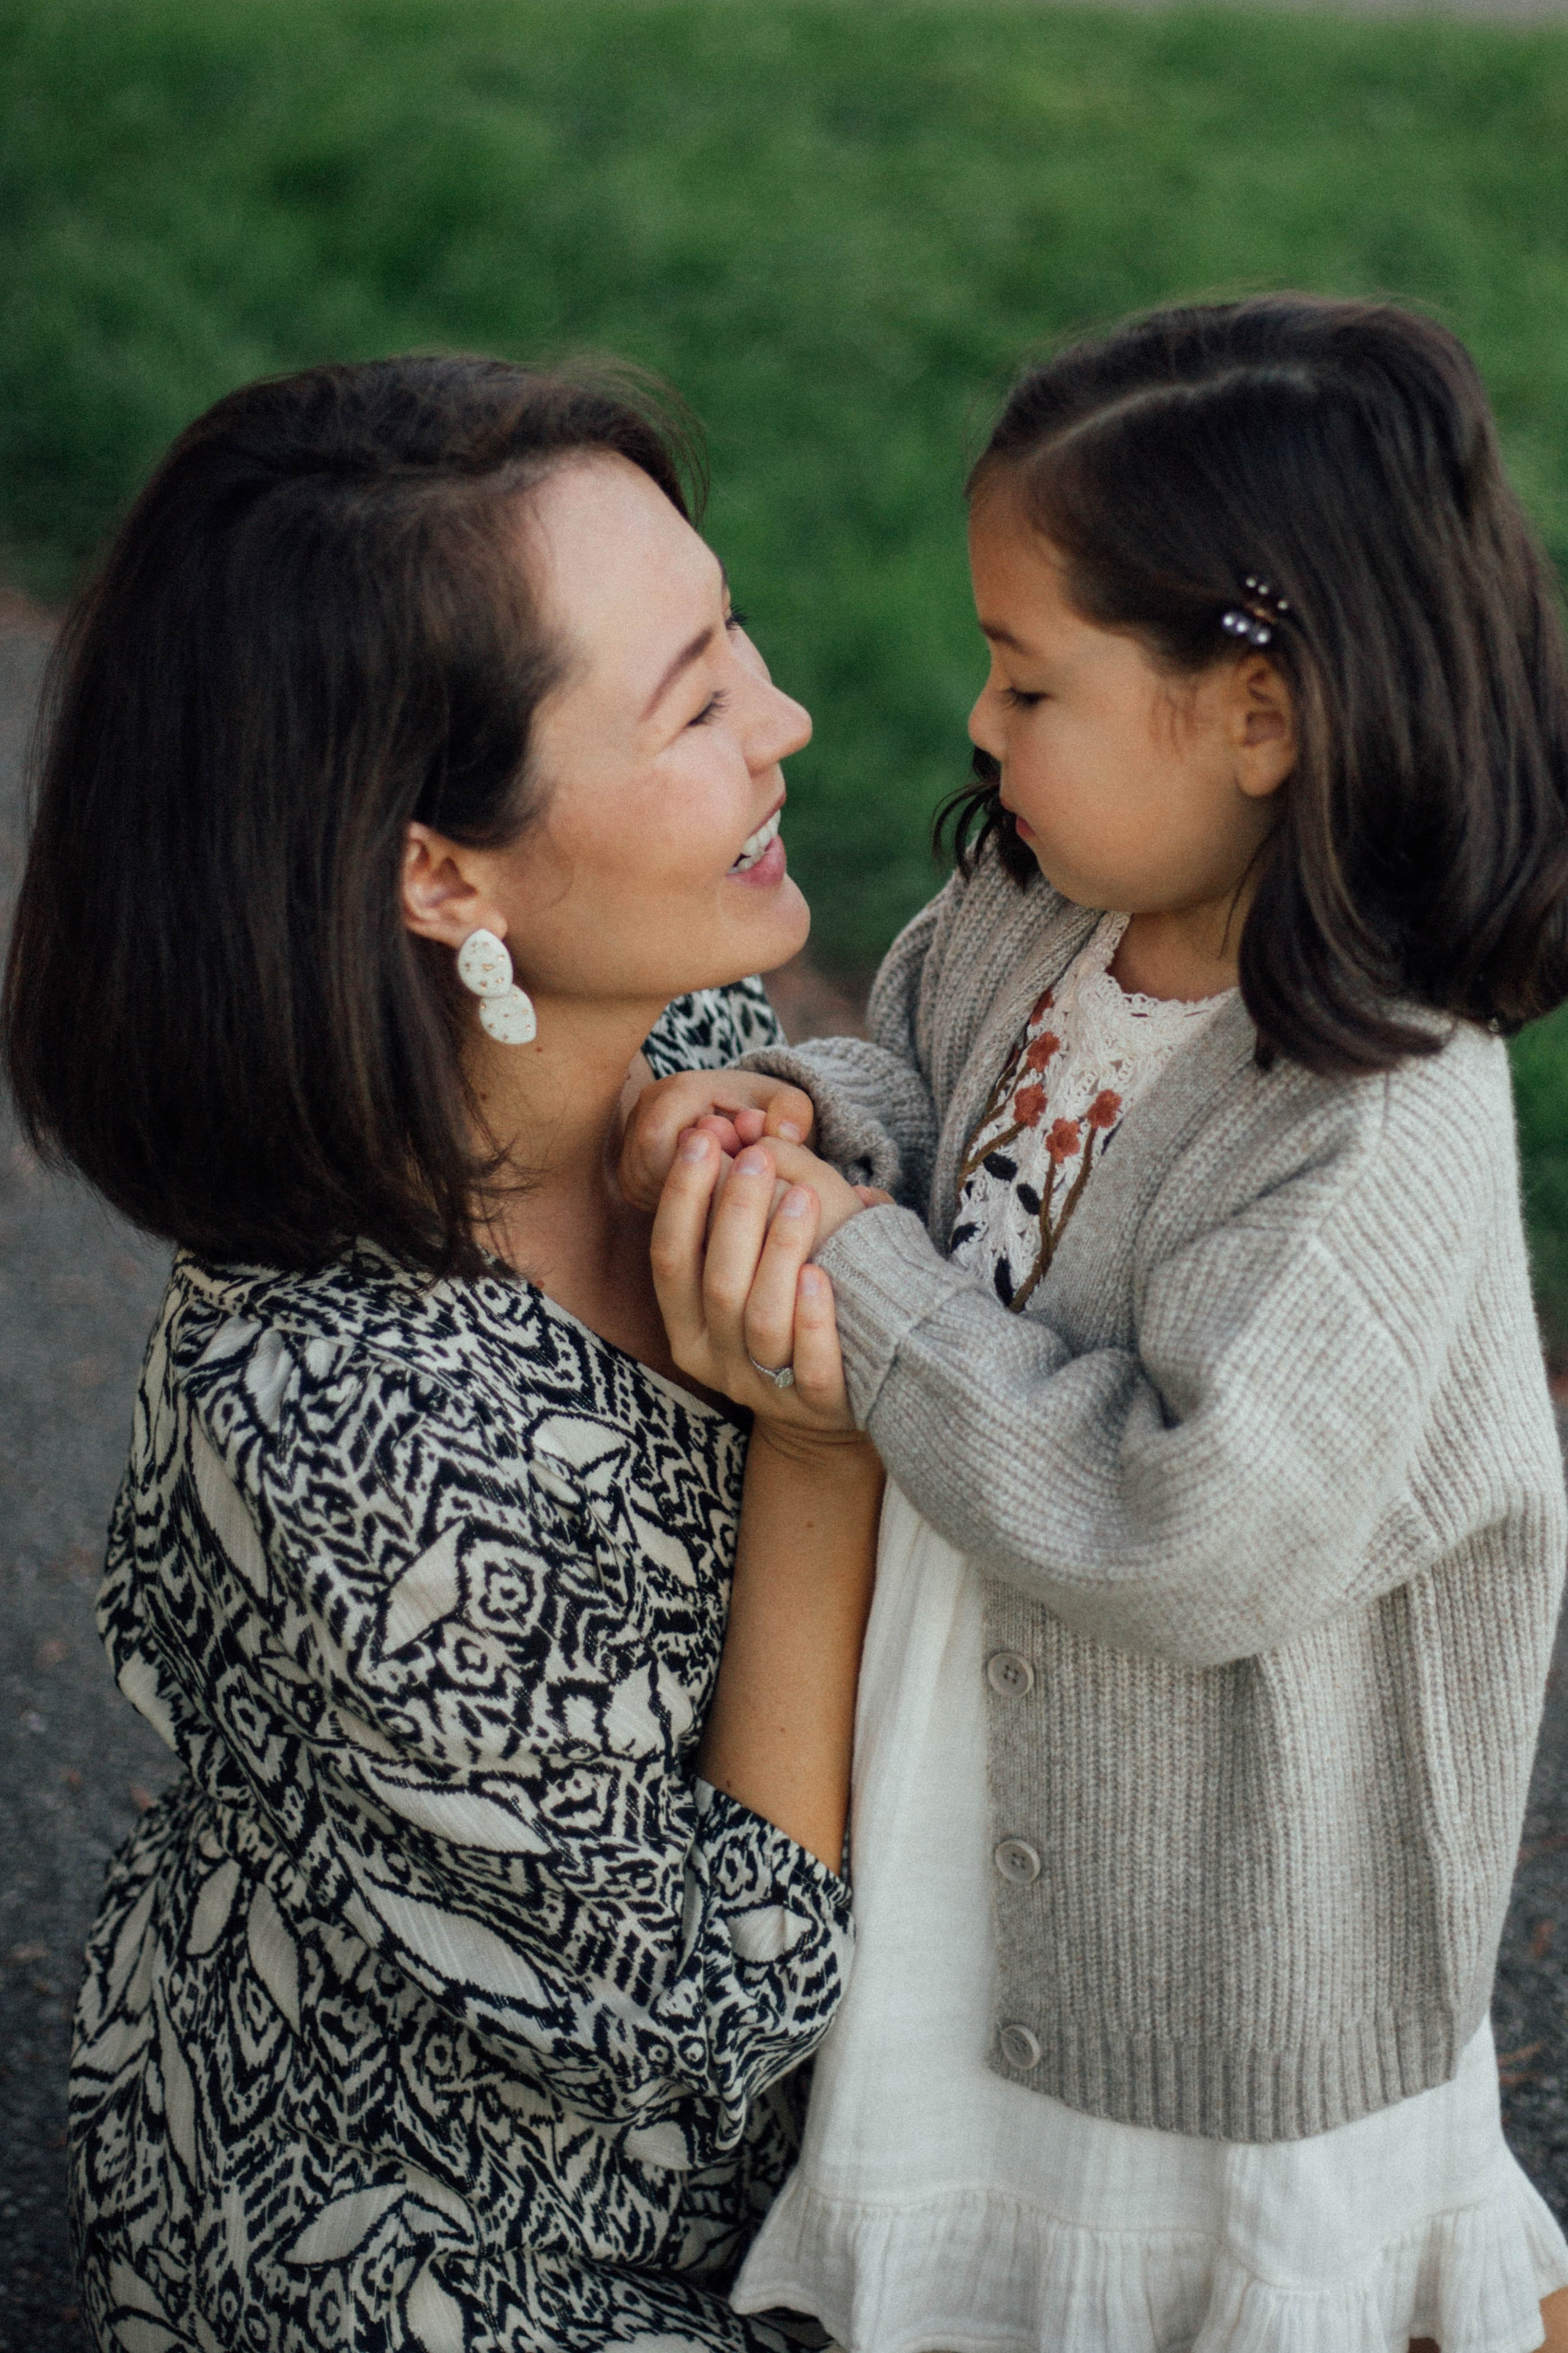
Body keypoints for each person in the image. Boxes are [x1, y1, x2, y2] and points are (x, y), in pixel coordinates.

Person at [625, 296, 1568, 2353]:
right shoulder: (1038, 907)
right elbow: (934, 1114)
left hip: (1215, 1966)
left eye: (1028, 677)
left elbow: (1186, 1521)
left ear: (1260, 714)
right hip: (976, 1819)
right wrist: (808, 1112)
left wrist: (845, 1270)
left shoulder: (1374, 1108)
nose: (977, 723)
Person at [0, 355, 885, 2351]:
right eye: (693, 697)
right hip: (471, 2262)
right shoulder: (360, 1434)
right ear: (440, 873)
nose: (788, 717)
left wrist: (799, 1114)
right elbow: (711, 2004)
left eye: (732, 628)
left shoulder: (623, 1047)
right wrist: (824, 1462)